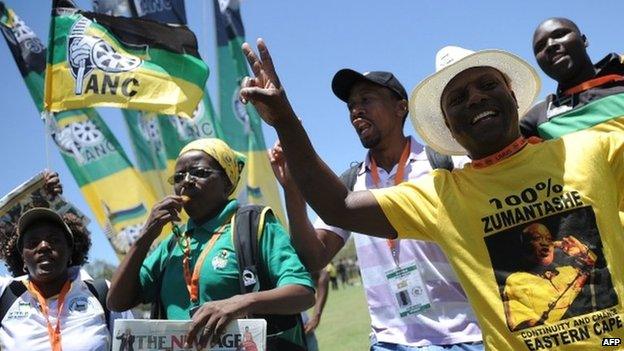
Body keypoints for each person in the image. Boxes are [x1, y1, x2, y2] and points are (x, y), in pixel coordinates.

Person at [240, 39, 624, 349]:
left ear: (511, 93)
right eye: (457, 99)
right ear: (449, 126)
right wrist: (285, 120)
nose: (474, 99)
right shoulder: (443, 192)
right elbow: (333, 215)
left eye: (487, 85)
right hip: (393, 340)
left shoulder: (592, 150)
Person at [268, 68, 482, 350]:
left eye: (366, 100)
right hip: (389, 341)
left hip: (464, 336)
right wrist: (292, 190)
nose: (356, 111)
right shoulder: (349, 185)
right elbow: (313, 257)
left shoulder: (444, 163)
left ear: (400, 107)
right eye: (351, 106)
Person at [107, 138, 315, 350]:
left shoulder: (254, 223)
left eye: (199, 172)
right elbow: (117, 301)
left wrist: (239, 303)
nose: (186, 181)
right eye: (178, 177)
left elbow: (302, 293)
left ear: (227, 183)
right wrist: (145, 237)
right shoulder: (172, 244)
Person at [0, 207, 132, 351]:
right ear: (23, 257)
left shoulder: (102, 292)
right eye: (33, 243)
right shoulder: (6, 295)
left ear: (70, 250)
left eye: (54, 240)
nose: (43, 246)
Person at [521, 17, 624, 139]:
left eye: (560, 34)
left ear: (584, 40)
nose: (550, 45)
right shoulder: (540, 115)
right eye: (540, 47)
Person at [503, 223, 596, 331]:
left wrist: (584, 252)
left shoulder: (567, 271)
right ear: (525, 246)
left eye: (549, 239)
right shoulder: (516, 280)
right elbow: (520, 327)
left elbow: (597, 268)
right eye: (537, 238)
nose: (545, 243)